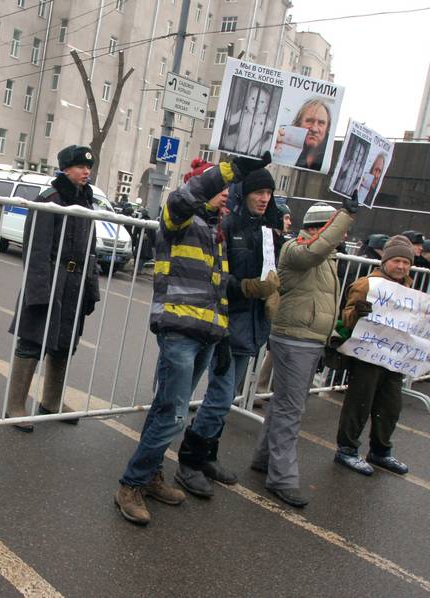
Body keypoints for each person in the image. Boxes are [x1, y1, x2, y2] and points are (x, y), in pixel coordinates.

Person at [114, 152, 272, 526]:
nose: (225, 192)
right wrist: (230, 169)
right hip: (180, 331)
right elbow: (189, 194)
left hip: (205, 334)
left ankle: (150, 475)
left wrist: (220, 337)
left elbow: (217, 290)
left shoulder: (216, 230)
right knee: (173, 414)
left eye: (227, 188)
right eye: (220, 186)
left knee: (164, 409)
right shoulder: (178, 216)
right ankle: (130, 485)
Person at [174, 166, 282, 499]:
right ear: (244, 192)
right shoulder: (228, 225)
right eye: (258, 192)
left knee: (224, 398)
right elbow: (218, 277)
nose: (264, 199)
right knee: (220, 396)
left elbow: (269, 274)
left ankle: (208, 455)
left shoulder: (265, 230)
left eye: (268, 193)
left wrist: (271, 291)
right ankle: (189, 461)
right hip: (226, 323)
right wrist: (248, 288)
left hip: (251, 327)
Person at [251, 195, 357, 508]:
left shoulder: (324, 257)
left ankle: (264, 459)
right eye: (339, 231)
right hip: (295, 338)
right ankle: (281, 478)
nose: (344, 237)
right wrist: (346, 214)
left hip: (307, 338)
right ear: (321, 229)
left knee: (284, 404)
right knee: (290, 409)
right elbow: (315, 251)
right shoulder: (297, 249)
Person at [5, 145, 101, 431]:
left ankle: (51, 402)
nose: (86, 171)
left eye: (88, 167)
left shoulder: (86, 201)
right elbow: (36, 250)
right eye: (79, 166)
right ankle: (15, 407)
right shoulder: (50, 199)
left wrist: (91, 287)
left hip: (74, 284)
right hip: (50, 279)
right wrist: (38, 292)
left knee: (64, 343)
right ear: (65, 168)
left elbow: (91, 250)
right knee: (33, 341)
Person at [333, 235, 417, 476]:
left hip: (393, 358)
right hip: (366, 356)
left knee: (390, 406)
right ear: (385, 260)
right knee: (360, 402)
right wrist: (357, 313)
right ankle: (347, 449)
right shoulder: (367, 284)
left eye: (406, 262)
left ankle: (380, 450)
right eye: (397, 261)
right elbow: (345, 318)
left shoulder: (408, 288)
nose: (401, 266)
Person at [276, 98, 331, 171]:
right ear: (298, 124)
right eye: (309, 121)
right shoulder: (282, 147)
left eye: (321, 123)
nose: (314, 129)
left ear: (327, 128)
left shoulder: (331, 157)